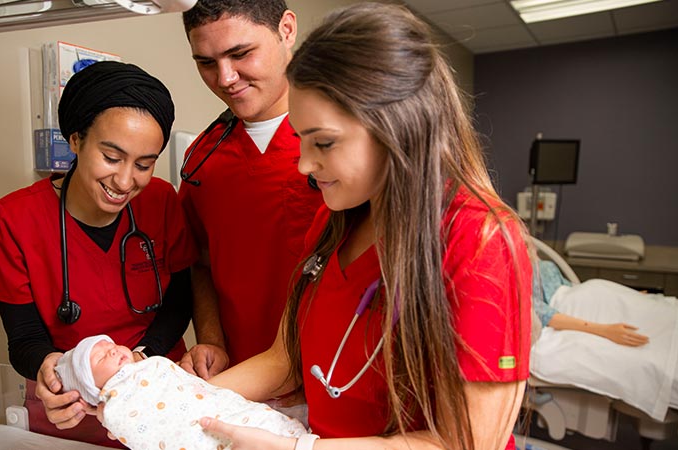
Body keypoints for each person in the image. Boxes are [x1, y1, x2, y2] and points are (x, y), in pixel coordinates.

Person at [197, 3, 534, 450]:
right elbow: (284, 360)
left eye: (325, 143)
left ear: (397, 127)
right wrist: (162, 396)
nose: (304, 165)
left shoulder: (481, 240)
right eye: (301, 140)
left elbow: (468, 441)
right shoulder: (335, 221)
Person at [0, 61, 198, 447]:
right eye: (112, 158)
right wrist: (51, 370)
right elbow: (24, 338)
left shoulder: (162, 200)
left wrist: (142, 363)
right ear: (76, 139)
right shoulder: (15, 217)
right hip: (69, 407)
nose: (126, 181)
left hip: (158, 398)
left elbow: (180, 299)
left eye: (144, 164)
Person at [177, 0, 324, 379]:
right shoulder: (202, 161)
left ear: (286, 30)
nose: (225, 78)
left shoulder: (341, 141)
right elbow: (200, 261)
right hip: (241, 379)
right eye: (206, 63)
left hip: (333, 375)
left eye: (240, 53)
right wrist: (211, 339)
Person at [54, 335, 307, 450]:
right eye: (99, 359)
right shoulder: (115, 404)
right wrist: (109, 414)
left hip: (213, 407)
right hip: (198, 433)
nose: (111, 351)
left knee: (245, 415)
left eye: (109, 344)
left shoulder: (151, 367)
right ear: (93, 388)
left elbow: (194, 391)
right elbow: (135, 427)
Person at [534, 260, 649, 346]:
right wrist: (605, 330)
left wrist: (625, 295)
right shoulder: (517, 286)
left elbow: (570, 287)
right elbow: (547, 316)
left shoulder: (539, 264)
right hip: (576, 309)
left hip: (597, 298)